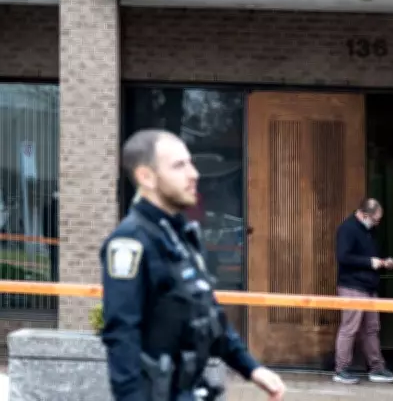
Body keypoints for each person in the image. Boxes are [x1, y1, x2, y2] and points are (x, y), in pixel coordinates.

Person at [100, 128, 286, 401]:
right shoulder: (131, 241)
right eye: (179, 166)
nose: (194, 174)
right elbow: (122, 335)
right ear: (146, 176)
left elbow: (208, 314)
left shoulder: (180, 235)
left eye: (190, 163)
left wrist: (251, 368)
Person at [332, 197, 393, 385]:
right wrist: (370, 262)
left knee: (371, 328)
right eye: (375, 219)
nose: (377, 223)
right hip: (352, 286)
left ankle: (377, 368)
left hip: (368, 286)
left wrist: (383, 262)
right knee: (350, 328)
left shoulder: (369, 230)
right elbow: (343, 257)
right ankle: (341, 369)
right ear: (364, 214)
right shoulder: (347, 229)